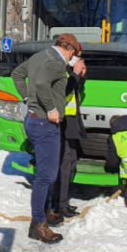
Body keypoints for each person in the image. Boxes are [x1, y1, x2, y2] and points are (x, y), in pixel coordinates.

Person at [12, 33, 82, 244]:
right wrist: (51, 108)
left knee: (47, 172)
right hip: (45, 124)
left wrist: (27, 97)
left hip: (34, 120)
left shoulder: (40, 56)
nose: (73, 58)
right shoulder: (56, 63)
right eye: (74, 54)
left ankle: (46, 212)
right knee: (46, 176)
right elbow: (42, 83)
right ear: (70, 50)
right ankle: (38, 225)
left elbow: (17, 74)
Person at [51, 47, 87, 218]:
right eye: (78, 56)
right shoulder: (59, 69)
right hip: (61, 122)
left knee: (70, 161)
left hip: (70, 122)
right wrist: (75, 74)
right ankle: (59, 204)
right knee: (64, 165)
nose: (79, 60)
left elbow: (73, 91)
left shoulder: (68, 70)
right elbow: (62, 92)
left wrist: (79, 76)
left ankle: (61, 202)